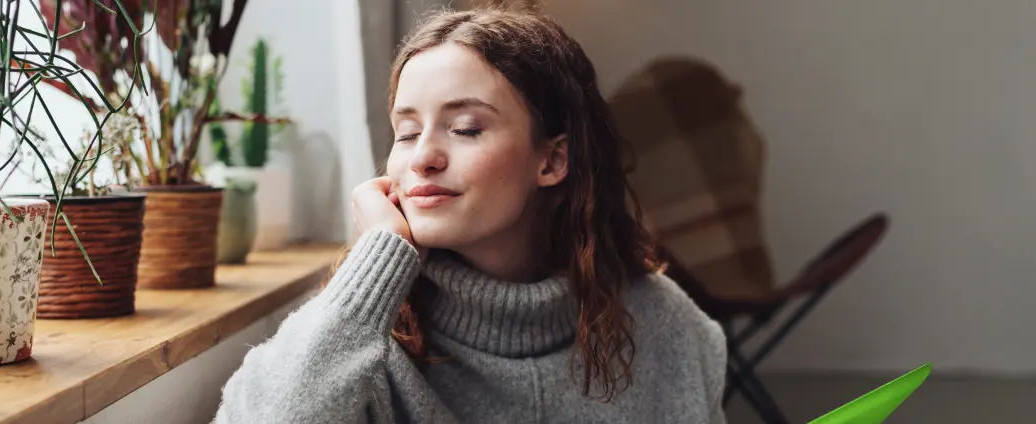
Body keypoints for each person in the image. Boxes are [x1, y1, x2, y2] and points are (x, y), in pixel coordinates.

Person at [216, 7, 727, 424]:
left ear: (551, 160)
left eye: (464, 128)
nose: (422, 158)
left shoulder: (667, 326)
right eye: (407, 132)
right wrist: (377, 262)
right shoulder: (359, 329)